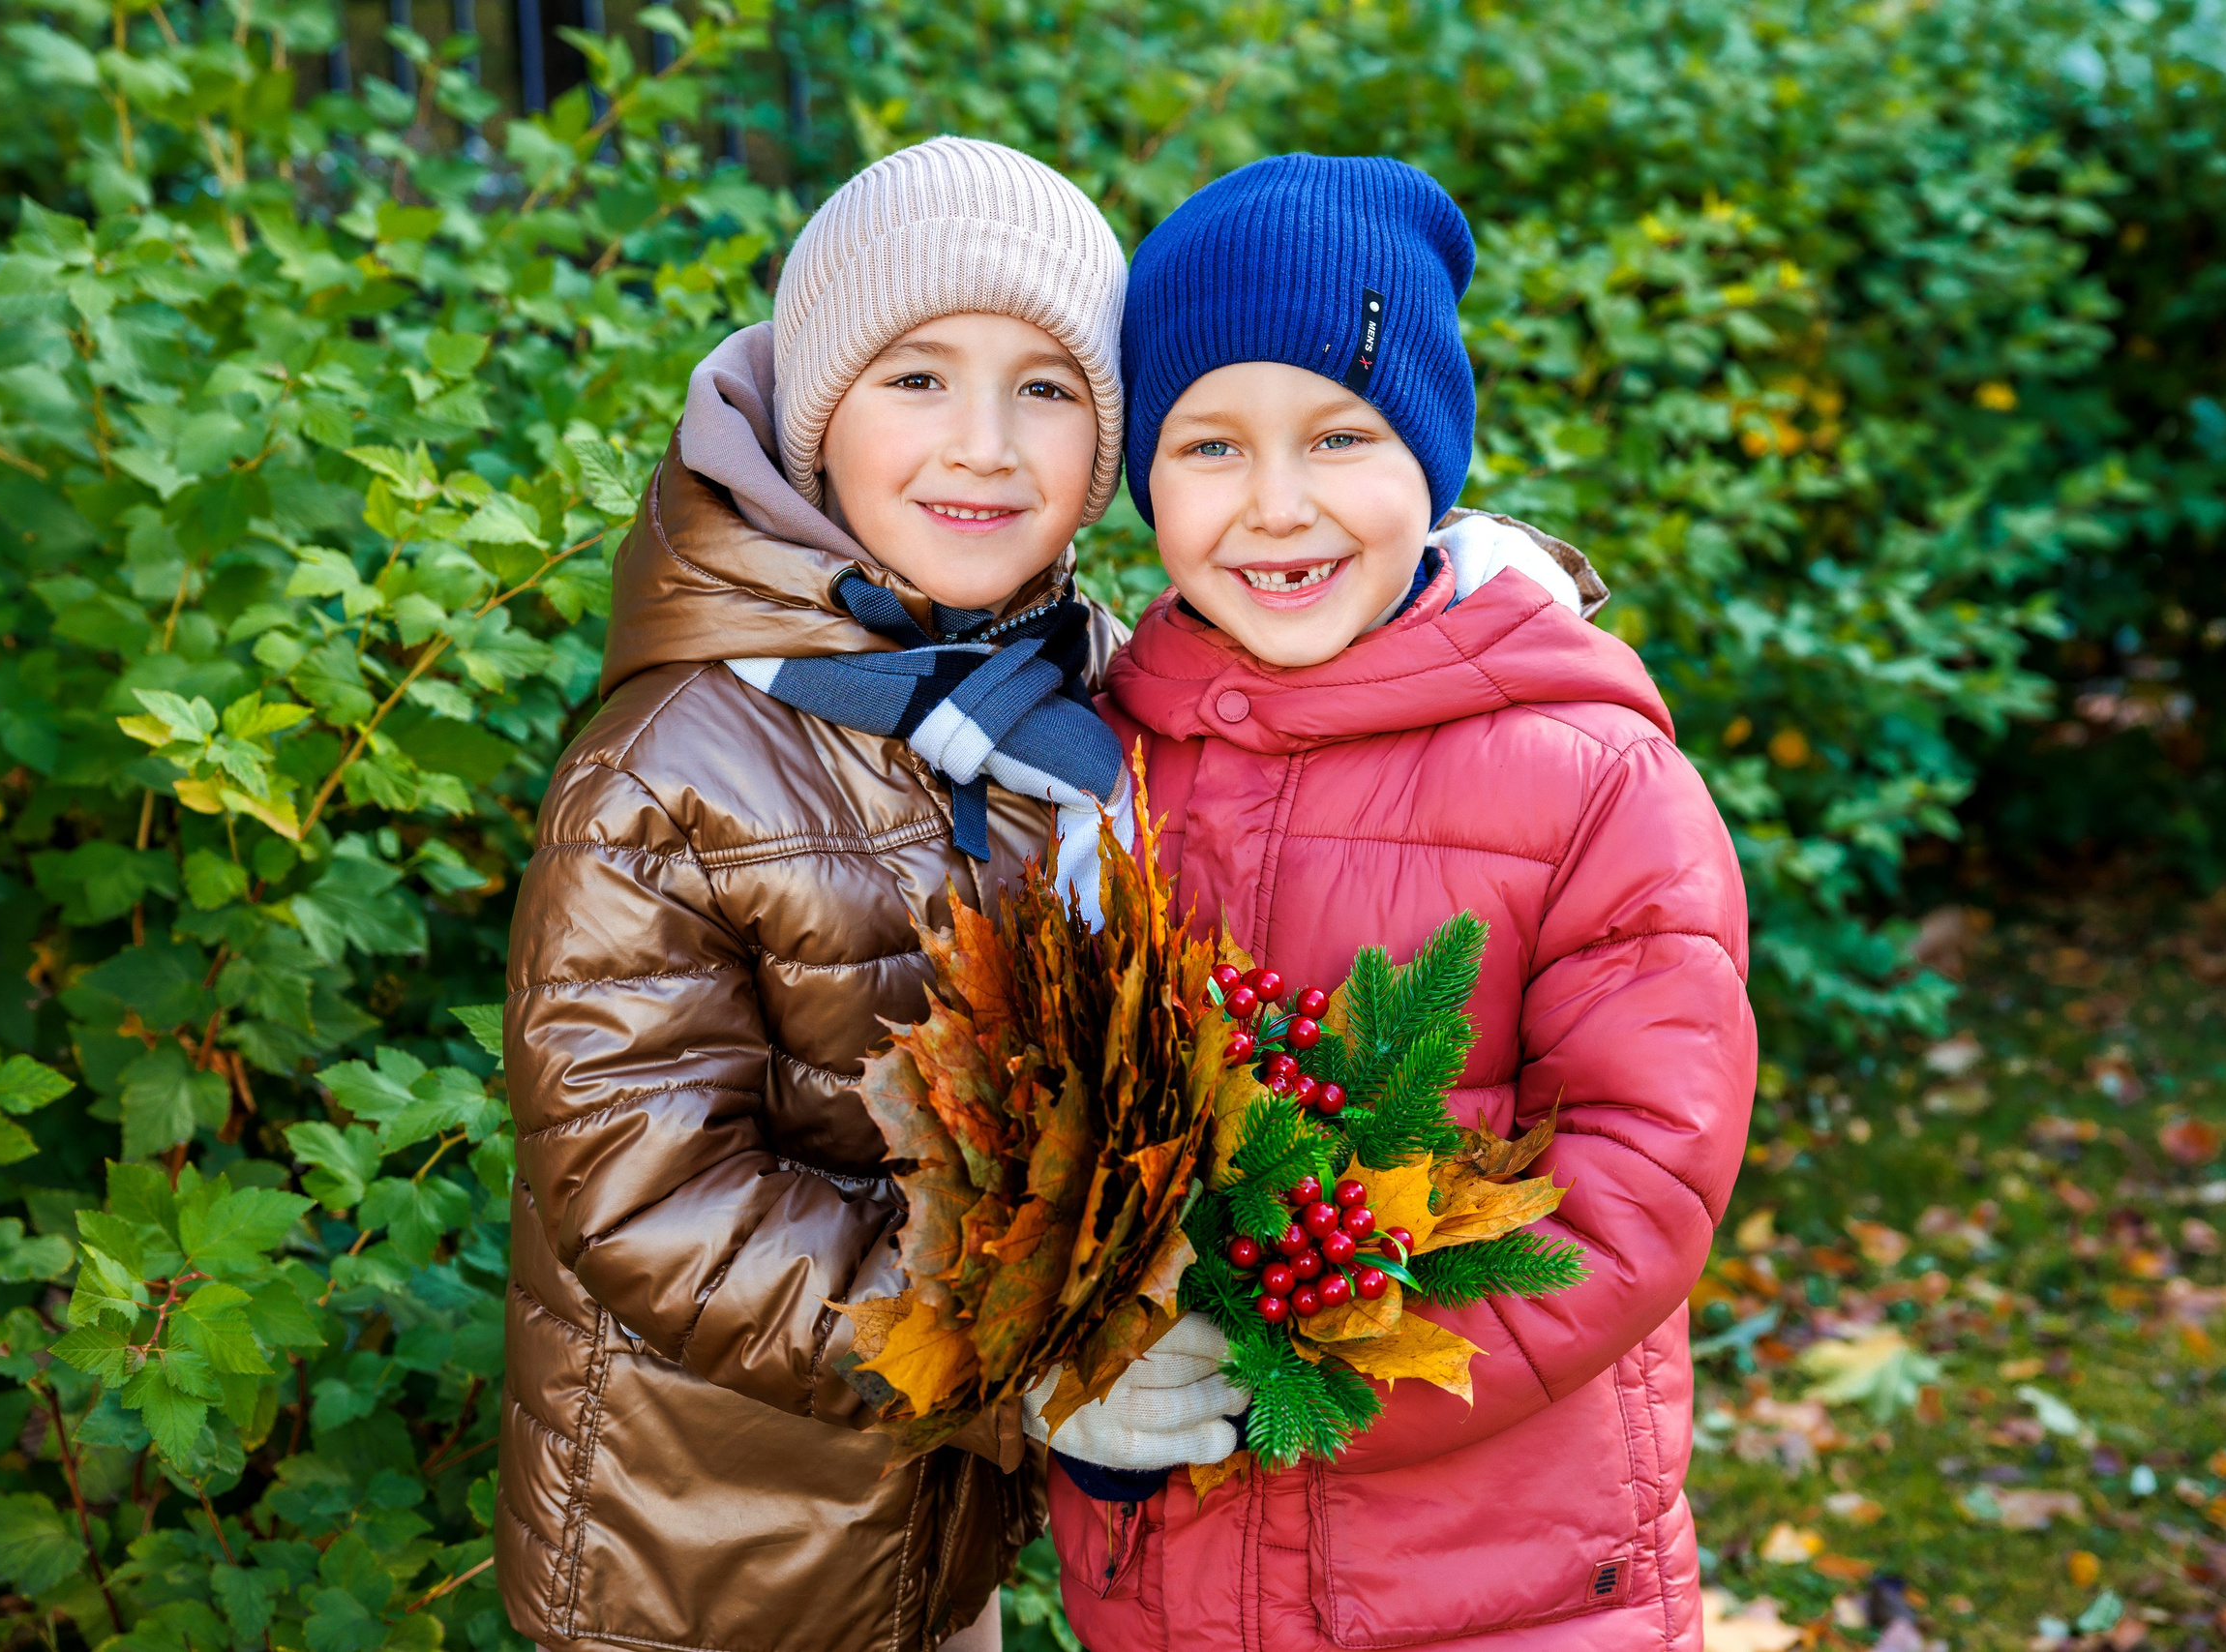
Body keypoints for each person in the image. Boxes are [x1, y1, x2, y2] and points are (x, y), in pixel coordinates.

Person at [1048, 154, 1757, 1650]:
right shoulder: (1095, 759)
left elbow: (1640, 1181)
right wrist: (1075, 1359)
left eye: (1340, 435)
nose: (1278, 505)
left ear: (1429, 455)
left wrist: (1288, 1373)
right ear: (1144, 481)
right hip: (1169, 1589)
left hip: (1503, 1590)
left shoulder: (1586, 777)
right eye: (1210, 446)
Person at [496, 135, 1131, 1652]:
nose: (982, 443)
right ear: (811, 417)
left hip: (938, 1534)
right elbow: (647, 1190)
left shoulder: (1065, 710)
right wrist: (1012, 1334)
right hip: (707, 1559)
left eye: (1046, 388)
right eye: (916, 376)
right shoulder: (674, 767)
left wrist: (1465, 577)